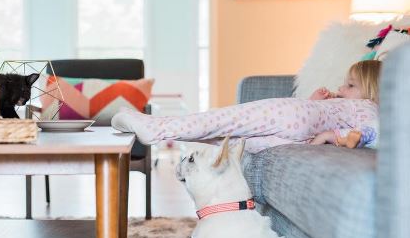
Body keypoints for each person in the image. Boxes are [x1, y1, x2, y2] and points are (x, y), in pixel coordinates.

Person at [111, 60, 381, 153]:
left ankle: (156, 129)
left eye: (350, 85)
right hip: (301, 132)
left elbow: (373, 133)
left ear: (373, 91)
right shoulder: (351, 107)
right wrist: (316, 105)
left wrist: (330, 135)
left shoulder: (368, 107)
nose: (342, 89)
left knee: (225, 120)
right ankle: (161, 132)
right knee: (230, 139)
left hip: (294, 115)